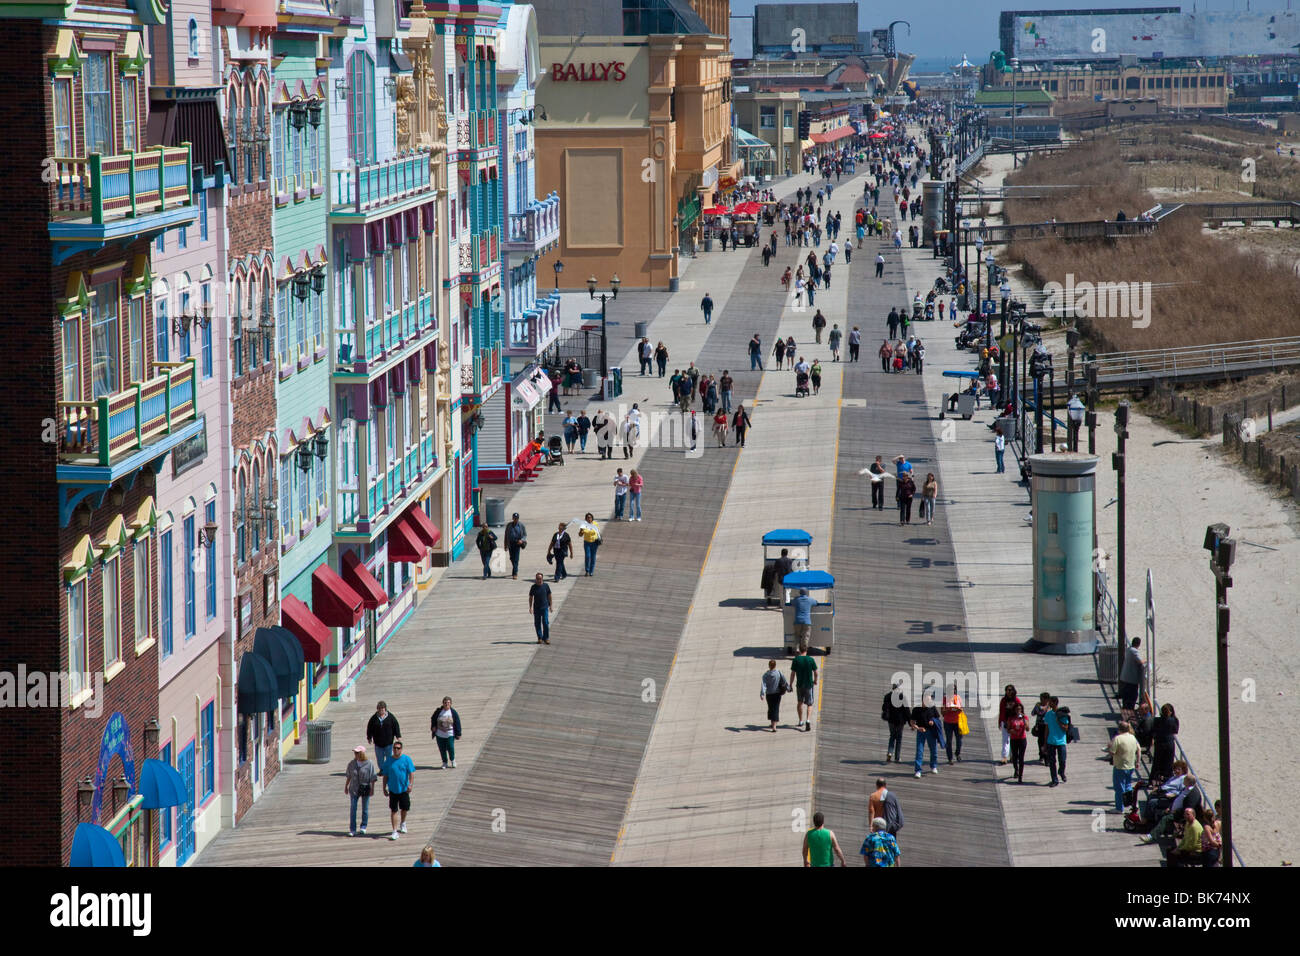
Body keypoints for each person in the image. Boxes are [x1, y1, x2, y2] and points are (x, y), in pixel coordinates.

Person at [381, 740, 415, 840]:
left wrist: (410, 784)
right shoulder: (388, 760)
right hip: (393, 789)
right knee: (393, 810)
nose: (396, 750)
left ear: (401, 749)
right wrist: (384, 787)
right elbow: (385, 775)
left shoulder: (406, 759)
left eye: (398, 748)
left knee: (404, 808)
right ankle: (394, 831)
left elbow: (411, 772)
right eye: (394, 748)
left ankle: (403, 822)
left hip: (404, 788)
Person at [344, 744, 378, 837]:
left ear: (362, 753)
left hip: (365, 787)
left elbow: (373, 777)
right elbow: (349, 776)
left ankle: (363, 826)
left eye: (357, 752)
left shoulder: (369, 763)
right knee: (353, 809)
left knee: (365, 809)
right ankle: (352, 829)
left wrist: (372, 789)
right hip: (354, 788)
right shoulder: (352, 764)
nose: (355, 754)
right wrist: (346, 786)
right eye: (355, 752)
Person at [911, 691, 945, 777]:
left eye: (930, 700)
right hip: (920, 732)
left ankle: (933, 766)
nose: (930, 702)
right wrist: (918, 728)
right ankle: (918, 770)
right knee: (919, 751)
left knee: (933, 750)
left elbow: (938, 719)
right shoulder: (916, 709)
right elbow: (912, 722)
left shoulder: (932, 707)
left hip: (931, 731)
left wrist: (933, 721)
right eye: (928, 700)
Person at [1109, 721, 1140, 815]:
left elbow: (1112, 752)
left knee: (1119, 788)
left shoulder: (1117, 738)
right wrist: (1137, 762)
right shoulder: (1133, 737)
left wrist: (1109, 747)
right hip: (1131, 765)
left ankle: (1119, 808)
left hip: (1120, 766)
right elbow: (1138, 750)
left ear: (1119, 729)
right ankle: (1132, 804)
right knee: (1128, 786)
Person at [366, 701, 401, 774]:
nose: (381, 711)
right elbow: (369, 728)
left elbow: (396, 726)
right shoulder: (374, 718)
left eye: (382, 709)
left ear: (385, 709)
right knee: (380, 759)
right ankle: (382, 770)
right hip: (378, 743)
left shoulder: (391, 717)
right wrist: (369, 737)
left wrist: (398, 736)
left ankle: (389, 769)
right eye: (379, 709)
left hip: (388, 742)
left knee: (389, 757)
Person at [430, 697, 462, 770]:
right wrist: (433, 727)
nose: (446, 704)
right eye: (445, 702)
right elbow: (433, 719)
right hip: (439, 734)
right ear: (443, 703)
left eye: (448, 703)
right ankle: (444, 762)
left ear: (450, 704)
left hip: (450, 733)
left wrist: (458, 733)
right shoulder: (439, 711)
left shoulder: (453, 712)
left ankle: (453, 760)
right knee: (442, 749)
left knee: (450, 747)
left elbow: (457, 722)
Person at [791, 647, 818, 732]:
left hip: (799, 685)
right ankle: (808, 720)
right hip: (809, 685)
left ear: (799, 651)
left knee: (800, 703)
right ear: (806, 651)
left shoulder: (796, 660)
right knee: (809, 704)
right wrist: (815, 681)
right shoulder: (811, 659)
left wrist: (790, 684)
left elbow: (793, 674)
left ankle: (800, 721)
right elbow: (816, 672)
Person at [1043, 696, 1069, 786]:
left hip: (1061, 741)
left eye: (1050, 702)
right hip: (1051, 741)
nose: (1049, 704)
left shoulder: (1062, 714)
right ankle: (1054, 779)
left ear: (1054, 703)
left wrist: (1058, 720)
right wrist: (1045, 743)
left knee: (1062, 760)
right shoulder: (1048, 714)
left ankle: (1061, 772)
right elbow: (1046, 729)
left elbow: (1066, 728)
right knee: (1052, 761)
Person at [883, 683, 910, 763]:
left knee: (892, 736)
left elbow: (884, 707)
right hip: (900, 721)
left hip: (891, 720)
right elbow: (907, 711)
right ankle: (897, 757)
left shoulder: (887, 696)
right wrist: (910, 722)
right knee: (899, 738)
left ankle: (890, 752)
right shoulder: (902, 697)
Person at [1152, 703, 1180, 781]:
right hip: (1169, 742)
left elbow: (1154, 730)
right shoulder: (1174, 720)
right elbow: (1175, 731)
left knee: (1157, 761)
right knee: (1169, 762)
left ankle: (1154, 778)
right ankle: (1167, 779)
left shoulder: (1157, 720)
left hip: (1159, 742)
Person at [760, 659, 790, 732]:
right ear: (775, 665)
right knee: (775, 708)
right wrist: (788, 688)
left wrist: (762, 694)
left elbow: (764, 685)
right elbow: (784, 681)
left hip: (769, 694)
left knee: (771, 708)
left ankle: (773, 724)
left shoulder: (765, 675)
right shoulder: (778, 673)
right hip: (777, 694)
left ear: (769, 666)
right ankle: (774, 726)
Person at [997, 684, 1023, 765]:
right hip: (1005, 722)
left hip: (1015, 722)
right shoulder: (1003, 700)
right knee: (1005, 740)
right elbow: (1001, 711)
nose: (1008, 692)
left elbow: (1021, 711)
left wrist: (1021, 721)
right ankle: (1004, 757)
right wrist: (1000, 722)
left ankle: (1013, 756)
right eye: (1007, 690)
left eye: (1010, 690)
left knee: (1014, 739)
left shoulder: (1017, 700)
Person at [1005, 702, 1029, 782]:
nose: (1018, 710)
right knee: (1015, 757)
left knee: (1021, 758)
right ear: (1014, 710)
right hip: (1014, 739)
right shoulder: (1011, 718)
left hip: (1022, 739)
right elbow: (1008, 729)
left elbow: (1027, 729)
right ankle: (1016, 769)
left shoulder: (1024, 717)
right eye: (1017, 709)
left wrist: (1023, 719)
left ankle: (1020, 776)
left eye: (1020, 709)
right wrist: (1012, 731)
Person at [1119, 637, 1144, 711]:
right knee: (1132, 695)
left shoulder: (1128, 649)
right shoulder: (1134, 651)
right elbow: (1140, 661)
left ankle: (1126, 708)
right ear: (1138, 644)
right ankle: (1129, 709)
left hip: (1125, 677)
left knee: (1126, 695)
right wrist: (1146, 659)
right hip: (1131, 678)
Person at [528, 572, 553, 644]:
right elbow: (530, 597)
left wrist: (551, 606)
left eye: (540, 578)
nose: (539, 580)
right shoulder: (533, 587)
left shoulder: (546, 586)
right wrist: (530, 607)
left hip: (545, 607)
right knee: (537, 623)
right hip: (536, 608)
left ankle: (546, 638)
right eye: (537, 579)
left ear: (542, 579)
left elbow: (549, 595)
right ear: (536, 579)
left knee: (545, 622)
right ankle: (540, 637)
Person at [791, 588, 816, 654]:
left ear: (799, 593)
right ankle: (804, 651)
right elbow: (816, 602)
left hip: (797, 621)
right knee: (805, 636)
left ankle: (797, 650)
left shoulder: (796, 600)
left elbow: (791, 602)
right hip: (807, 621)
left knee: (797, 636)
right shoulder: (810, 600)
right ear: (807, 593)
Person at [504, 512, 527, 579]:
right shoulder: (509, 525)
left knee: (516, 559)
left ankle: (515, 573)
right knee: (512, 558)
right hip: (511, 543)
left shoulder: (521, 525)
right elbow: (506, 536)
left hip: (517, 543)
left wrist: (522, 540)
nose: (515, 519)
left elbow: (525, 535)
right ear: (512, 518)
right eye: (514, 518)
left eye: (517, 518)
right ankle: (515, 568)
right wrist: (505, 545)